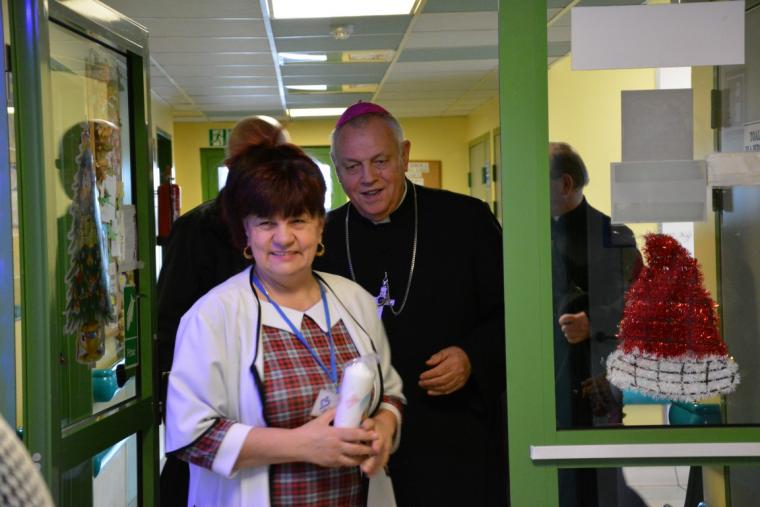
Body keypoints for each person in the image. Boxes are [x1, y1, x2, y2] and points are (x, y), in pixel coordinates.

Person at [164, 141, 405, 507]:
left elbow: (389, 392)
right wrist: (301, 445)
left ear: (320, 227)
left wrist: (384, 427)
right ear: (246, 232)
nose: (283, 238)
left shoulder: (355, 300)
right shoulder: (212, 316)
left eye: (298, 220)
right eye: (266, 223)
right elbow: (191, 436)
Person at [314, 102, 508, 506]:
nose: (368, 178)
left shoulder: (466, 220)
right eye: (352, 166)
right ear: (336, 168)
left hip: (452, 435)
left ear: (404, 155)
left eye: (380, 161)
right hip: (357, 438)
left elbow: (514, 313)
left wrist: (472, 356)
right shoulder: (322, 238)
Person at [156, 116, 288, 506]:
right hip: (214, 405)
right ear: (231, 166)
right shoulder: (197, 230)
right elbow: (169, 326)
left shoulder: (290, 228)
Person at [549, 142, 643, 507]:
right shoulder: (528, 235)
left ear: (565, 184)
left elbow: (639, 301)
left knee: (598, 478)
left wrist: (595, 321)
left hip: (595, 374)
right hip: (544, 374)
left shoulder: (612, 235)